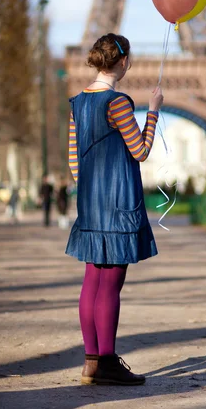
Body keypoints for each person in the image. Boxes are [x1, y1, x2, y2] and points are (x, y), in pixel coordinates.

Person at [65, 33, 163, 387]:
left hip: (91, 204)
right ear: (122, 62)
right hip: (118, 201)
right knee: (111, 284)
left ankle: (92, 361)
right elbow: (140, 150)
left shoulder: (77, 103)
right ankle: (107, 361)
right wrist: (152, 112)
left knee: (92, 278)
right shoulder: (118, 102)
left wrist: (93, 186)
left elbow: (75, 163)